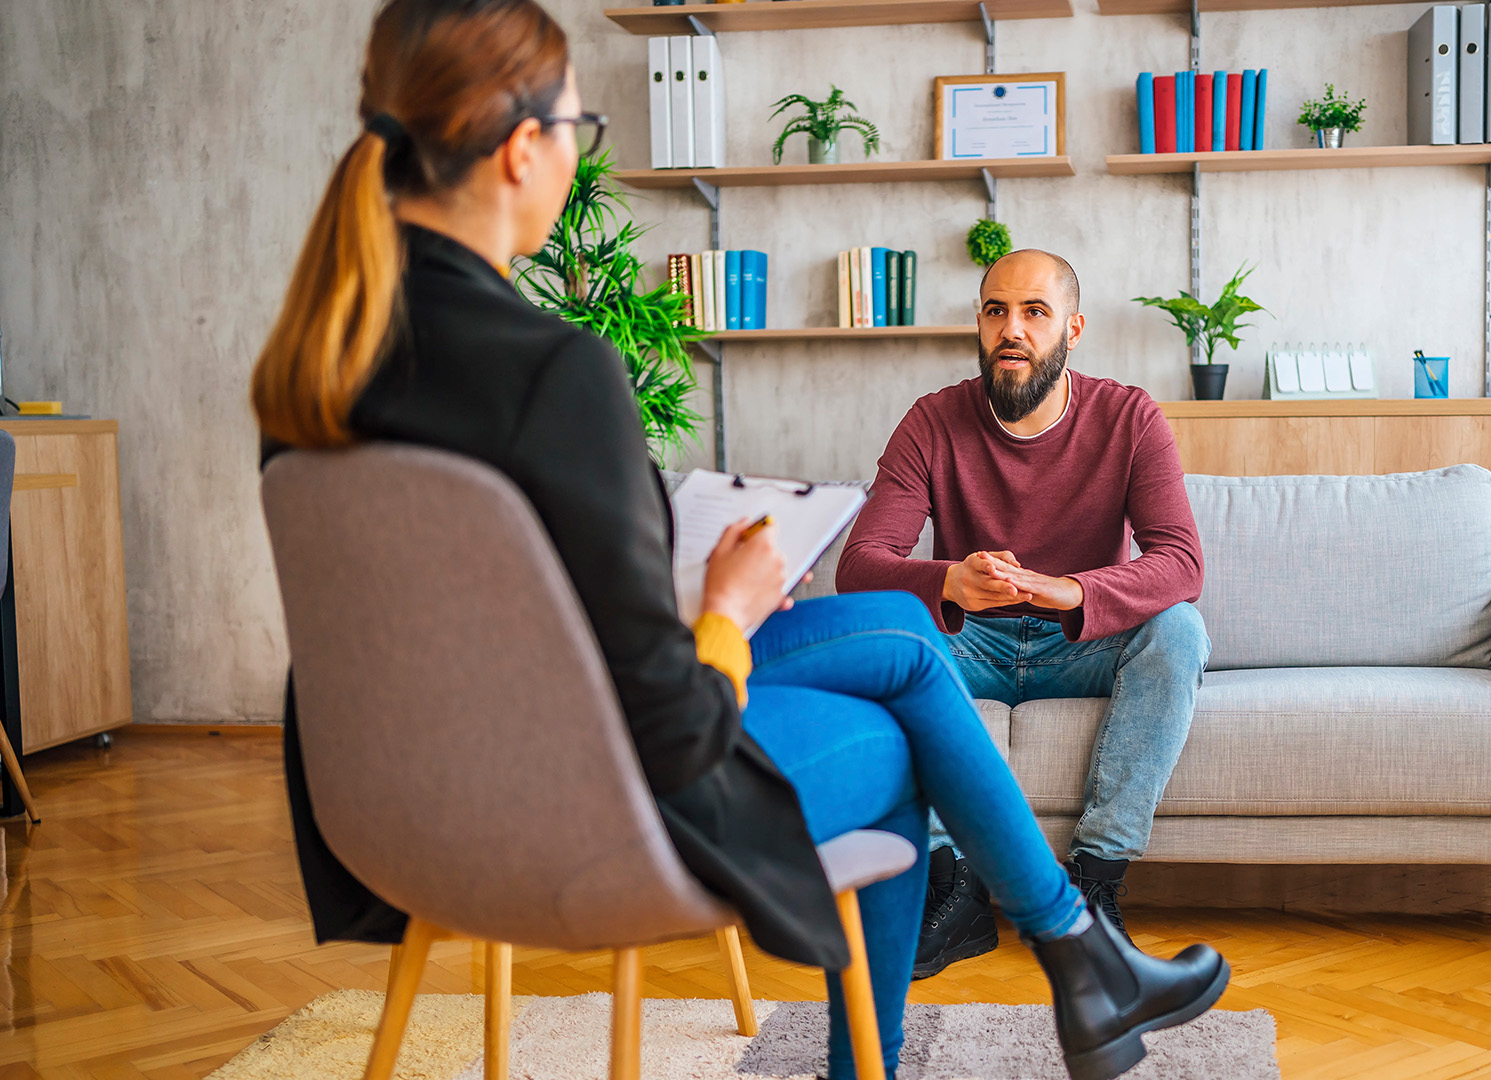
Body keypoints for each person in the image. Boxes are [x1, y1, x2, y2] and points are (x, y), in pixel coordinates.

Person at [248, 4, 1228, 1079]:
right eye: (580, 123)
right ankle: (1058, 965)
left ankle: (1080, 948)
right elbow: (666, 716)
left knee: (902, 630)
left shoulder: (319, 362)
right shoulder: (551, 373)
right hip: (586, 801)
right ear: (524, 147)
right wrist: (721, 607)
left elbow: (516, 627)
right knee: (903, 730)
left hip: (406, 806)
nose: (579, 148)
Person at [836, 249, 1210, 979]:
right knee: (890, 636)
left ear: (1072, 328)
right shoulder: (932, 421)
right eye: (996, 311)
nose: (1012, 329)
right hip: (968, 641)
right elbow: (860, 564)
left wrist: (1074, 590)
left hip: (1081, 646)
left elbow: (1182, 562)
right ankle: (958, 892)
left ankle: (1094, 887)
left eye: (1034, 312)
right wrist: (949, 581)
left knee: (1179, 629)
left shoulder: (1130, 417)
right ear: (978, 324)